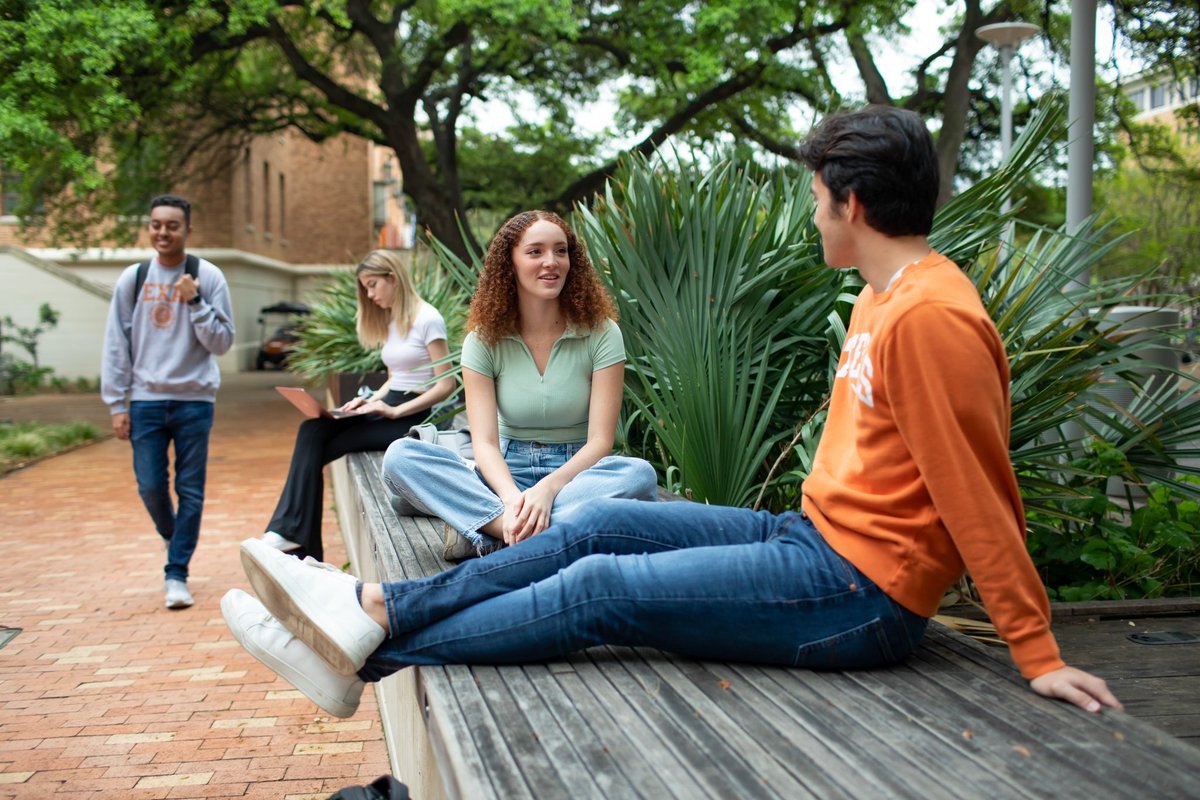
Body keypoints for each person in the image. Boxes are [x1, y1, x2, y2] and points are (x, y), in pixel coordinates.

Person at [221, 106, 1122, 720]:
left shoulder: (932, 317)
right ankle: (369, 610)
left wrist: (1036, 651)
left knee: (601, 592)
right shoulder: (882, 298)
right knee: (599, 524)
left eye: (816, 203)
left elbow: (977, 491)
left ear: (851, 203)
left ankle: (365, 638)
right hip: (811, 543)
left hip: (861, 597)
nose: (813, 220)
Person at [379, 210, 657, 559]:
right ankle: (518, 527)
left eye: (560, 250)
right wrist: (512, 500)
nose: (551, 262)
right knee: (400, 458)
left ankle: (489, 530)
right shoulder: (482, 341)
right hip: (502, 476)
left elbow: (601, 442)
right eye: (535, 251)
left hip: (575, 477)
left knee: (639, 476)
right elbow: (484, 443)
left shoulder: (601, 333)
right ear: (509, 263)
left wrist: (548, 489)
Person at [258, 249, 455, 561]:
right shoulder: (395, 319)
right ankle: (292, 536)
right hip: (388, 406)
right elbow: (396, 378)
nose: (369, 293)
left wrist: (394, 411)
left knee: (315, 439)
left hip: (411, 417)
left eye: (373, 284)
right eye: (365, 287)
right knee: (313, 429)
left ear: (393, 278)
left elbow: (446, 385)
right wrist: (371, 399)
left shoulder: (429, 319)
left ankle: (293, 537)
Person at [102, 194, 235, 610]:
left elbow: (223, 342)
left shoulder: (207, 276)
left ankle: (176, 573)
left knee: (190, 489)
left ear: (187, 230)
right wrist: (116, 403)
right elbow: (115, 344)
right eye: (157, 224)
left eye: (172, 225)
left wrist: (195, 302)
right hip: (145, 400)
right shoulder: (134, 278)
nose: (164, 232)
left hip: (195, 400)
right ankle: (173, 535)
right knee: (150, 486)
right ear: (150, 227)